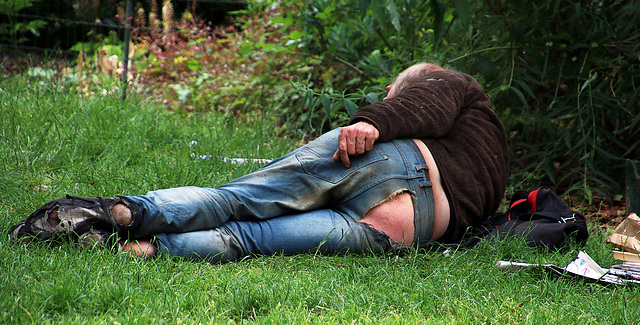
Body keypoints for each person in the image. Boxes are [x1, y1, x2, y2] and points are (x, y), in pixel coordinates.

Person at [9, 63, 510, 262]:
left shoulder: (450, 84)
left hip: (393, 162)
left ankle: (107, 212)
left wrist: (376, 121)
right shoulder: (491, 165)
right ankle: (132, 251)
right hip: (401, 228)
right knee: (245, 240)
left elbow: (430, 100)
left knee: (237, 201)